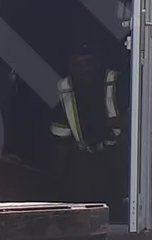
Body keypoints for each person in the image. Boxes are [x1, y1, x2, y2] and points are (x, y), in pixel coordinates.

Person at [48, 40, 131, 212]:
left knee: (116, 199)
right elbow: (60, 140)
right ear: (70, 66)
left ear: (98, 63)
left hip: (117, 150)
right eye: (78, 64)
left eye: (89, 63)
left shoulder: (116, 81)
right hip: (85, 155)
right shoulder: (64, 89)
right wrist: (57, 180)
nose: (85, 68)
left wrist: (107, 125)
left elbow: (135, 120)